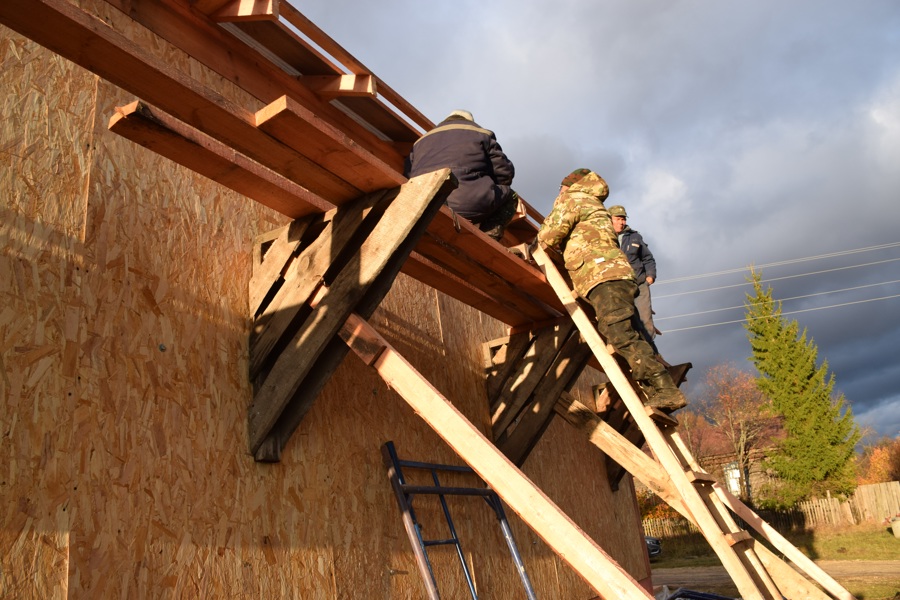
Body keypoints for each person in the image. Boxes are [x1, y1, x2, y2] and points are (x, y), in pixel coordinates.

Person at [534, 169, 686, 411]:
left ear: (571, 187)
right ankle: (656, 389)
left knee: (619, 333)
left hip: (603, 277)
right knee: (629, 333)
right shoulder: (596, 208)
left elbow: (548, 236)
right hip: (616, 277)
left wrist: (534, 249)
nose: (559, 193)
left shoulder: (575, 199)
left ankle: (664, 389)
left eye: (561, 188)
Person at [405, 110, 518, 240]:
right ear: (469, 121)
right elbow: (504, 173)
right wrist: (488, 186)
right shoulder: (482, 134)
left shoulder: (420, 142)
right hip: (468, 202)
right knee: (511, 196)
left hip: (423, 203)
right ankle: (488, 238)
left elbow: (407, 176)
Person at [608, 205, 658, 340]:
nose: (621, 222)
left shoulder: (635, 236)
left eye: (623, 219)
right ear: (609, 219)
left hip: (640, 284)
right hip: (617, 286)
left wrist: (650, 277)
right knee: (623, 319)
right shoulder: (603, 237)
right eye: (618, 219)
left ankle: (651, 352)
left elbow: (648, 258)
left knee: (645, 319)